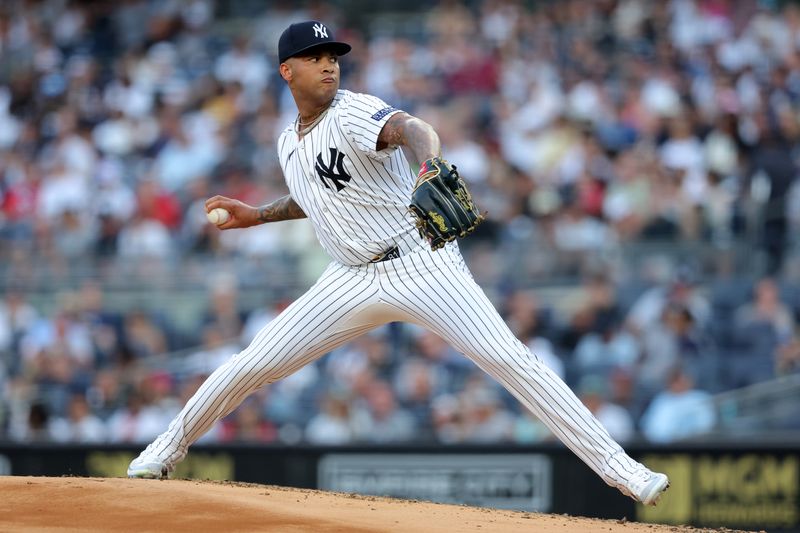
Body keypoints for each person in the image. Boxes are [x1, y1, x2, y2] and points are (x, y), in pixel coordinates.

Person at [127, 20, 669, 506]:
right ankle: (162, 450)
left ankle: (625, 472)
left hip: (421, 263)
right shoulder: (286, 144)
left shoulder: (354, 110)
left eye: (334, 56)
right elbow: (318, 196)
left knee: (509, 358)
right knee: (251, 363)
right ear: (286, 71)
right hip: (348, 279)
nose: (329, 65)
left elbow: (411, 129)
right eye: (316, 58)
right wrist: (259, 216)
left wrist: (430, 162)